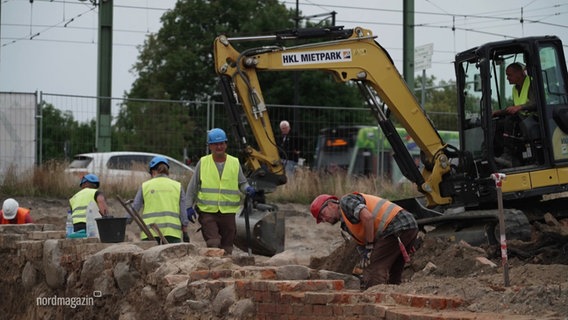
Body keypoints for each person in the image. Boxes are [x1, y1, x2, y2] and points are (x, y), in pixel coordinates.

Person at [310, 192, 418, 289]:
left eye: (322, 214)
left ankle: (373, 301)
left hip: (396, 225)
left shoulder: (345, 202)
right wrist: (364, 258)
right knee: (394, 270)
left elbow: (367, 217)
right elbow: (363, 243)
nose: (324, 219)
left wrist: (370, 246)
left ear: (330, 204)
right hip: (407, 225)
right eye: (321, 219)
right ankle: (393, 299)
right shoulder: (346, 223)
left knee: (376, 267)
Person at [185, 128, 255, 255]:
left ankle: (226, 269)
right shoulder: (203, 162)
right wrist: (188, 206)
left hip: (228, 213)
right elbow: (192, 186)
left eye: (222, 143)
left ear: (226, 144)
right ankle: (214, 266)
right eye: (215, 144)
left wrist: (247, 189)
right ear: (210, 146)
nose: (219, 146)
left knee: (227, 246)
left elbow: (242, 183)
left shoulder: (234, 162)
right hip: (207, 211)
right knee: (213, 242)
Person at [132, 156, 188, 244]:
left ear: (153, 172)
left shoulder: (145, 186)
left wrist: (124, 222)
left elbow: (135, 208)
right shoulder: (178, 186)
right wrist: (185, 232)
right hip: (172, 234)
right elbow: (183, 213)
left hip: (149, 233)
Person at [493, 62, 537, 167]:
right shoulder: (515, 88)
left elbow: (536, 103)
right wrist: (498, 112)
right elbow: (513, 107)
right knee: (498, 123)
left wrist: (520, 107)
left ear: (519, 73)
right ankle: (497, 154)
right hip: (522, 119)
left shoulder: (532, 83)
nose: (507, 78)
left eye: (509, 75)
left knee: (510, 119)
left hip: (535, 119)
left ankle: (508, 155)